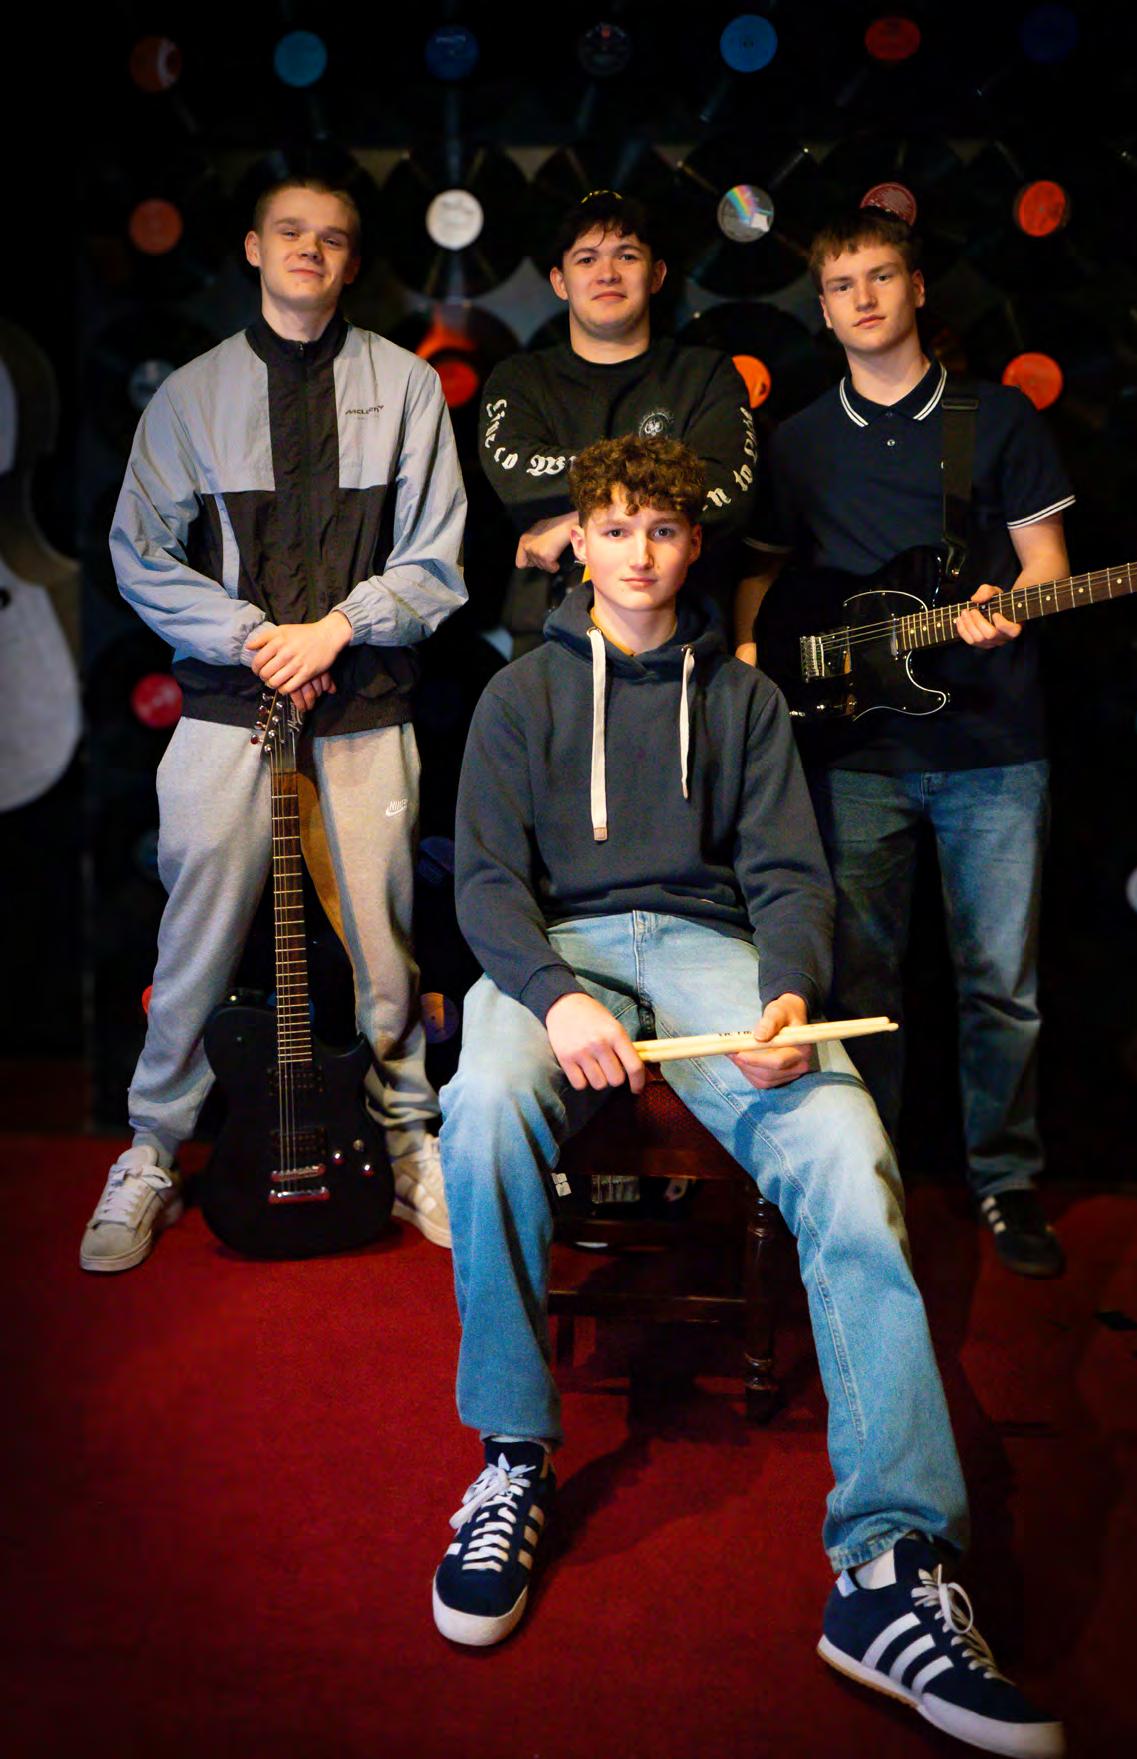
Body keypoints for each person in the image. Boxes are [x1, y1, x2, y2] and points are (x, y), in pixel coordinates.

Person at [430, 434, 1064, 1759]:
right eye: (615, 529)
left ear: (692, 544)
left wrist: (785, 993)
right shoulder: (517, 694)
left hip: (712, 948)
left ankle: (889, 1561)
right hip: (561, 951)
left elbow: (788, 876)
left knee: (845, 1141)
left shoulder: (745, 696)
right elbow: (483, 880)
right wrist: (551, 994)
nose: (639, 554)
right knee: (480, 1102)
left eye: (662, 530)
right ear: (579, 543)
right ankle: (511, 1455)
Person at [79, 176, 467, 1272]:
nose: (311, 250)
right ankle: (153, 1149)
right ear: (253, 248)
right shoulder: (191, 395)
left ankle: (405, 1141)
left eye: (332, 239)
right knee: (194, 938)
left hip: (365, 706)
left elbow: (436, 558)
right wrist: (259, 638)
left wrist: (335, 630)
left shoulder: (407, 386)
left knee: (386, 944)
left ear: (353, 262)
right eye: (291, 233)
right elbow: (138, 556)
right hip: (226, 708)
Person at [736, 207, 1073, 1278]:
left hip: (994, 744)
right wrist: (750, 651)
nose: (865, 299)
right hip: (854, 754)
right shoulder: (797, 440)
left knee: (1001, 984)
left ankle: (1005, 1179)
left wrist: (1011, 605)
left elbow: (1049, 561)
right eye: (843, 285)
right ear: (822, 307)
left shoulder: (996, 416)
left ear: (917, 288)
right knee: (858, 988)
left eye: (882, 277)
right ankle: (864, 1174)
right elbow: (763, 569)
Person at [478, 190, 757, 653]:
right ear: (560, 281)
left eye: (626, 256)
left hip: (685, 639)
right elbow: (517, 479)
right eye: (586, 259)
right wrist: (661, 490)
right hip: (548, 640)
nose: (607, 273)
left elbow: (728, 492)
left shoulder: (707, 375)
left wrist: (576, 519)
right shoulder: (518, 381)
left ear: (657, 274)